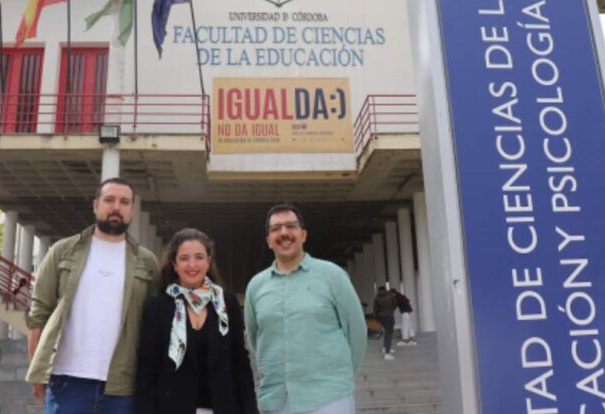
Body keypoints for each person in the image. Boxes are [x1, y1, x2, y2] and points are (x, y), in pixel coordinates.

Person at [25, 177, 160, 413]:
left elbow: (156, 326)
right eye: (109, 200)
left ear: (132, 210)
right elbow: (38, 314)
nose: (116, 207)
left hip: (123, 387)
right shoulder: (62, 251)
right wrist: (37, 371)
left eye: (124, 202)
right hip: (67, 381)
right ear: (96, 205)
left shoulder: (148, 262)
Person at [245, 204, 367, 414]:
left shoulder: (332, 275)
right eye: (276, 229)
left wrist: (338, 379)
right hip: (276, 401)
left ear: (303, 235)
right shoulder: (256, 286)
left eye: (291, 226)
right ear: (268, 241)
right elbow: (256, 339)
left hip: (329, 399)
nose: (284, 233)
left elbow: (356, 331)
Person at [136, 228, 258, 414]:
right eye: (184, 258)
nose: (192, 264)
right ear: (174, 264)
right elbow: (147, 370)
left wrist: (250, 409)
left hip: (223, 407)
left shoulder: (227, 304)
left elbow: (239, 364)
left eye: (199, 257)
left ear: (208, 262)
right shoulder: (157, 308)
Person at [373, 286, 397, 360]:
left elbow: (375, 309)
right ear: (385, 290)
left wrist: (377, 319)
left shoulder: (376, 298)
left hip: (381, 317)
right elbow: (395, 306)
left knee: (386, 332)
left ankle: (385, 348)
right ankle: (387, 353)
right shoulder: (390, 296)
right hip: (389, 316)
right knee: (389, 334)